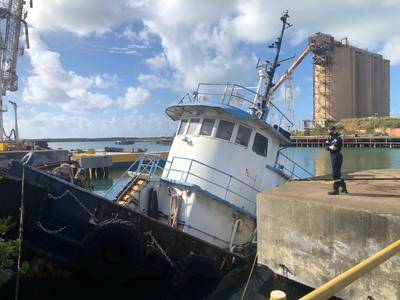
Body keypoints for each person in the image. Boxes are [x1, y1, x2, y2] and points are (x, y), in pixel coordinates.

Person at [325, 125, 348, 195]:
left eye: (330, 130)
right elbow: (326, 147)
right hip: (332, 156)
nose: (329, 132)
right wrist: (330, 147)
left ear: (333, 130)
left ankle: (336, 189)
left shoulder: (338, 138)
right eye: (328, 130)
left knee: (335, 173)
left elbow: (336, 147)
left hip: (337, 156)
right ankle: (344, 188)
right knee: (338, 173)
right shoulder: (329, 137)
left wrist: (330, 147)